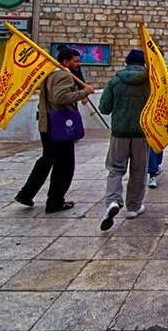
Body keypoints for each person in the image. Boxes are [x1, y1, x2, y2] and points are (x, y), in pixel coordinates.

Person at [14, 47, 94, 214]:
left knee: (47, 160)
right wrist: (83, 92)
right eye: (76, 61)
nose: (78, 64)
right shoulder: (63, 75)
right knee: (64, 166)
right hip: (59, 127)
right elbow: (60, 98)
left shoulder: (49, 74)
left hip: (47, 125)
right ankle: (55, 201)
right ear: (66, 62)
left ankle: (26, 193)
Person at [97, 49, 151, 228]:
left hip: (119, 132)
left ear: (127, 62)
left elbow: (104, 107)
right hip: (142, 133)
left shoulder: (116, 80)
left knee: (115, 169)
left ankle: (113, 201)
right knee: (139, 170)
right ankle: (133, 207)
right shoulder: (150, 82)